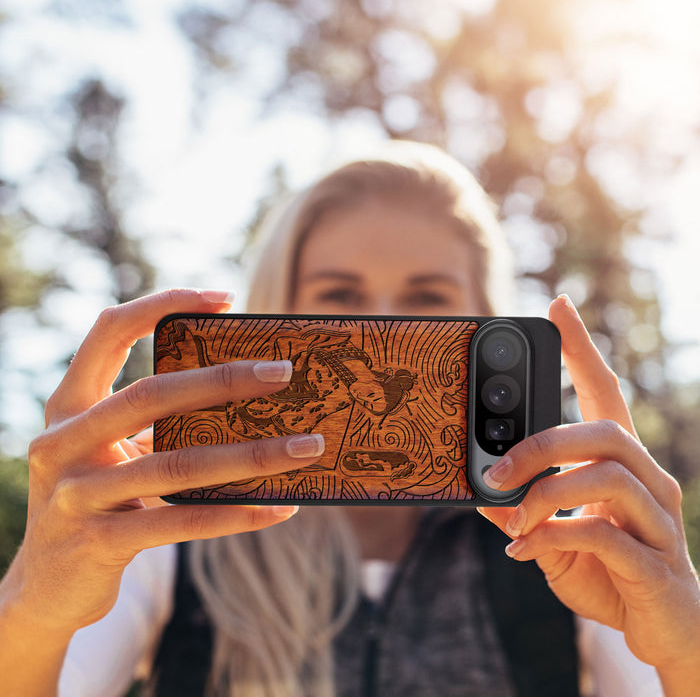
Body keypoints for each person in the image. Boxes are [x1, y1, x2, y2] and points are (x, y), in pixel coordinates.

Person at [0, 142, 698, 697]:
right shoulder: (170, 532)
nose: (386, 326)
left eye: (428, 298)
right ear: (278, 313)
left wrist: (685, 645)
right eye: (340, 296)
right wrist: (34, 604)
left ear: (487, 320)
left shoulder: (568, 540)